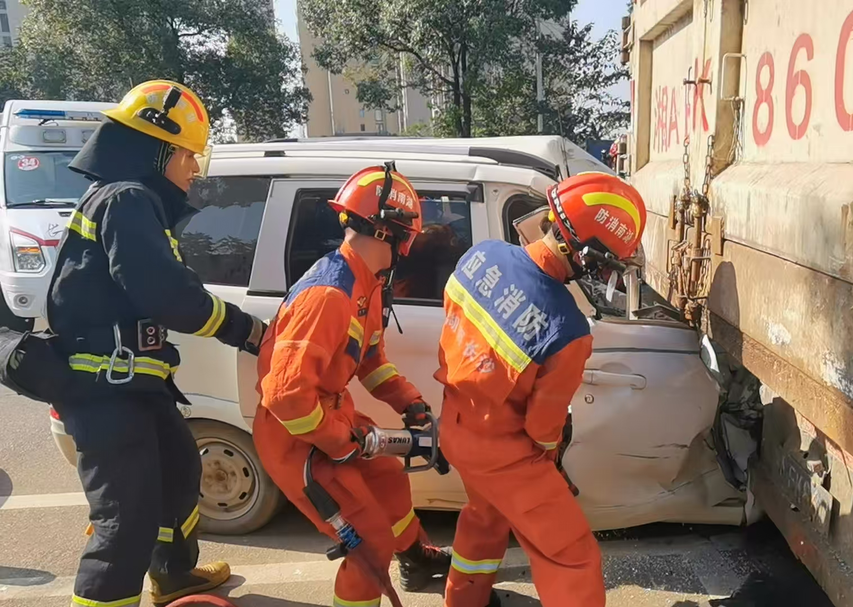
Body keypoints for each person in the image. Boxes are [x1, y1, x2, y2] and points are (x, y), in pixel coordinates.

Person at [46, 80, 266, 607]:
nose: (194, 168)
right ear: (158, 149)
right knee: (124, 524)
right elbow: (170, 295)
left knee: (178, 471)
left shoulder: (130, 199)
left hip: (134, 383)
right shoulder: (126, 199)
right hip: (103, 389)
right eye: (189, 155)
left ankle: (172, 574)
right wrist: (248, 331)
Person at [435, 172, 648, 607]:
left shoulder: (481, 256)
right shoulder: (567, 330)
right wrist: (550, 456)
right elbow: (541, 428)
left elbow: (453, 333)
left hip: (454, 427)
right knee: (571, 557)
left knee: (484, 520)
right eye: (605, 262)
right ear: (586, 253)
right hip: (507, 457)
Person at [254, 164, 453, 607]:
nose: (410, 247)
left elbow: (369, 360)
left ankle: (416, 559)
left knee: (387, 478)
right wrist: (340, 442)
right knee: (368, 543)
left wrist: (409, 403)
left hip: (329, 416)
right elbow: (285, 397)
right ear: (389, 234)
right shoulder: (329, 296)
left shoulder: (366, 283)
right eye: (407, 237)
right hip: (295, 437)